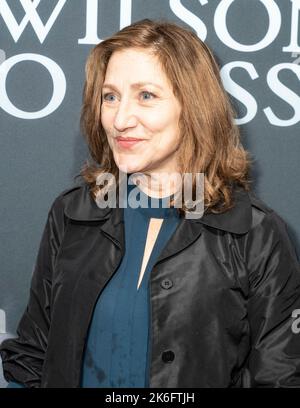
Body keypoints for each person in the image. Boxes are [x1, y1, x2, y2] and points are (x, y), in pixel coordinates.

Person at [1, 18, 300, 388]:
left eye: (146, 95)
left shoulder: (256, 233)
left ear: (192, 107)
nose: (120, 119)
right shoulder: (72, 212)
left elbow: (279, 377)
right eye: (110, 96)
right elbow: (33, 353)